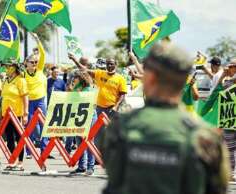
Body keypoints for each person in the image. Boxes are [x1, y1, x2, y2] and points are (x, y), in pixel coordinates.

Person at [101, 43, 230, 194]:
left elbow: (114, 180)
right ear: (184, 80)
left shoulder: (121, 128)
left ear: (150, 78)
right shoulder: (206, 137)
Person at [69, 53, 127, 145]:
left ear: (116, 64)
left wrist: (116, 106)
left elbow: (122, 95)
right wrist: (74, 60)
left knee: (110, 132)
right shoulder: (100, 73)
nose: (109, 65)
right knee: (96, 132)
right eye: (108, 63)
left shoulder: (120, 79)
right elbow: (84, 69)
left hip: (111, 109)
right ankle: (96, 157)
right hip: (98, 108)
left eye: (111, 63)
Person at [0, 59, 29, 171]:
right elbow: (2, 97)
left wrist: (25, 113)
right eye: (6, 67)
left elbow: (25, 97)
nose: (6, 69)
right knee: (9, 138)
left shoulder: (20, 80)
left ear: (14, 67)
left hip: (17, 113)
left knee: (19, 138)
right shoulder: (5, 80)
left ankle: (20, 162)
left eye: (8, 66)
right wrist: (0, 114)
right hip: (6, 114)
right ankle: (12, 160)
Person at [23, 33, 49, 159]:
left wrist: (38, 39)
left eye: (36, 62)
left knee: (44, 125)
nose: (34, 63)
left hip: (40, 101)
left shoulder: (39, 70)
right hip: (29, 103)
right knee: (30, 127)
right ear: (26, 63)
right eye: (32, 62)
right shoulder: (23, 74)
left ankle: (44, 150)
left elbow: (42, 54)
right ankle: (29, 151)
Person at [67, 70, 97, 176]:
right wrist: (71, 87)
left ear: (81, 79)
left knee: (89, 142)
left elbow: (88, 106)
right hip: (78, 117)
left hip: (88, 117)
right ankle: (81, 166)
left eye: (75, 78)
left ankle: (90, 167)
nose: (74, 79)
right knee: (80, 143)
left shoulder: (88, 90)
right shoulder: (77, 89)